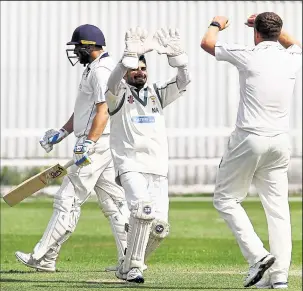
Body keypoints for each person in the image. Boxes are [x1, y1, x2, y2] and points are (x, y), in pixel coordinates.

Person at [15, 24, 129, 272]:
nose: (75, 52)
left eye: (77, 47)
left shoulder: (101, 72)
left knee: (67, 200)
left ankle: (40, 256)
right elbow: (84, 109)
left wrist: (89, 142)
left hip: (96, 144)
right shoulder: (93, 69)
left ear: (89, 47)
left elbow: (103, 110)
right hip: (100, 144)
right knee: (113, 202)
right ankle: (129, 261)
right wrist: (63, 132)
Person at [200, 12, 302, 289]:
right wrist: (270, 26)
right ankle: (279, 276)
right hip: (280, 141)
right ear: (278, 32)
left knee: (225, 199)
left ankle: (258, 256)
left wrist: (216, 24)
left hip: (250, 138)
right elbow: (293, 43)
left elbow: (207, 44)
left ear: (256, 33)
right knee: (278, 210)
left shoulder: (249, 53)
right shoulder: (292, 57)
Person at [105, 26, 191, 283]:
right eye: (135, 68)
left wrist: (180, 60)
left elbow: (184, 82)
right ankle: (134, 269)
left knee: (159, 228)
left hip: (158, 167)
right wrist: (127, 58)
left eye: (143, 68)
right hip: (130, 163)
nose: (140, 72)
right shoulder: (118, 94)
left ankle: (127, 264)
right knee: (142, 209)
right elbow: (111, 82)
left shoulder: (155, 93)